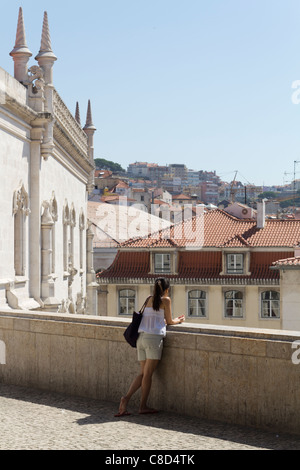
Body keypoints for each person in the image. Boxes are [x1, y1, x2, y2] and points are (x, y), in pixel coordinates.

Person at [115, 277, 185, 417]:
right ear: (166, 289)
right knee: (147, 375)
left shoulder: (148, 299)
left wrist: (163, 321)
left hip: (141, 339)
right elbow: (170, 321)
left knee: (142, 373)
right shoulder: (166, 300)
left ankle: (126, 398)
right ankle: (142, 406)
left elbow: (153, 317)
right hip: (153, 339)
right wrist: (179, 320)